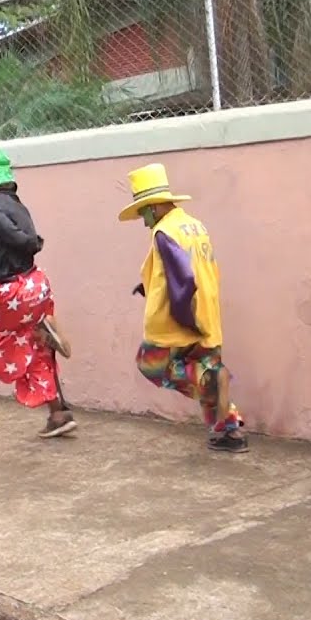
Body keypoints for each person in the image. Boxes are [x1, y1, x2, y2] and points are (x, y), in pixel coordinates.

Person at [119, 163, 246, 453]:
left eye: (143, 212)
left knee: (152, 363)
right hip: (207, 311)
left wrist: (183, 315)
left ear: (154, 207)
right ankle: (229, 433)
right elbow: (190, 268)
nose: (143, 220)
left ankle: (211, 380)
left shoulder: (164, 232)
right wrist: (148, 286)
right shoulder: (194, 224)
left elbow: (182, 278)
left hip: (179, 320)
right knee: (206, 364)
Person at [0, 148, 76, 438]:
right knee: (39, 348)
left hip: (10, 291)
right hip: (36, 284)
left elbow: (26, 241)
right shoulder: (15, 204)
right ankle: (58, 413)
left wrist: (33, 242)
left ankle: (26, 336)